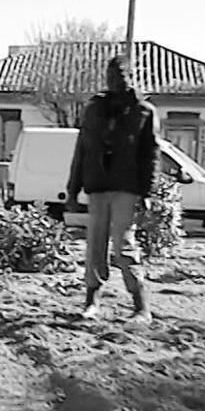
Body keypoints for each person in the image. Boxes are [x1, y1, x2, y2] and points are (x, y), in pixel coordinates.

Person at [66, 55, 159, 324]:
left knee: (123, 245)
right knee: (95, 245)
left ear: (130, 76)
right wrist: (73, 189)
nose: (113, 80)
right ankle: (91, 302)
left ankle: (141, 306)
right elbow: (82, 148)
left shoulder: (144, 110)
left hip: (127, 186)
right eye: (109, 75)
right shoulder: (94, 108)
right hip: (98, 185)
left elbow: (150, 154)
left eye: (119, 74)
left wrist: (147, 192)